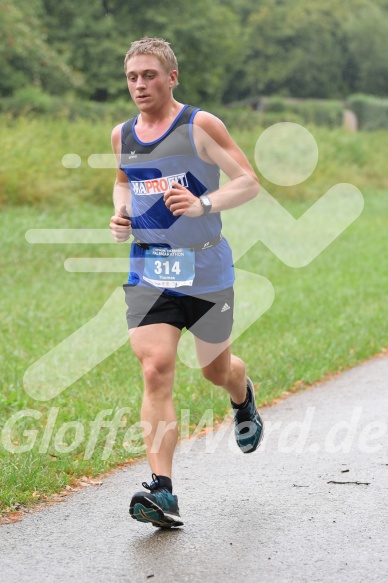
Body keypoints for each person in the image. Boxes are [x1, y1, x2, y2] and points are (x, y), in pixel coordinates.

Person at [109, 37, 264, 529]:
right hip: (149, 269)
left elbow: (247, 180)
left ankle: (242, 395)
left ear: (171, 77)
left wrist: (204, 205)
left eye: (149, 75)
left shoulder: (199, 125)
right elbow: (122, 181)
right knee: (155, 368)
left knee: (216, 370)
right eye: (133, 77)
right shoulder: (123, 134)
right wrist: (121, 212)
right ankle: (163, 492)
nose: (140, 85)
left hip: (205, 269)